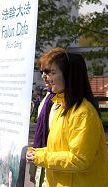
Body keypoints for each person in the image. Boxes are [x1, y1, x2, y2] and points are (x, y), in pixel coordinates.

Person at [26, 49, 108, 187]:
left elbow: (79, 159)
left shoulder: (83, 112)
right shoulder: (61, 106)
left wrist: (40, 157)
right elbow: (58, 149)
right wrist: (35, 152)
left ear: (69, 75)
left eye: (53, 73)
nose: (48, 78)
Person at [29, 48, 66, 187]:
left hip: (53, 160)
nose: (45, 76)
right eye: (42, 72)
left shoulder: (61, 100)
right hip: (43, 155)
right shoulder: (48, 97)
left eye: (49, 72)